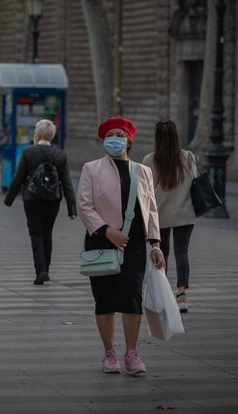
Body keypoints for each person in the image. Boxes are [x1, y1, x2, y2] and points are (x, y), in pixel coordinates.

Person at [76, 116, 165, 376]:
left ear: (129, 141)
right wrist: (108, 231)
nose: (115, 138)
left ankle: (132, 353)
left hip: (135, 245)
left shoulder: (143, 171)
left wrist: (156, 243)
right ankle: (109, 352)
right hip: (100, 243)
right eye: (110, 134)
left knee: (132, 299)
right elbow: (84, 205)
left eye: (120, 135)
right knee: (104, 300)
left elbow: (151, 210)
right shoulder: (91, 169)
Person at [3, 119, 77, 285]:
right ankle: (46, 269)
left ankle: (40, 271)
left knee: (35, 233)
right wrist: (72, 208)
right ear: (52, 136)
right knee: (47, 234)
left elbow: (18, 177)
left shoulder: (28, 152)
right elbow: (66, 183)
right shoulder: (61, 155)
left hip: (32, 199)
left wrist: (9, 199)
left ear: (36, 135)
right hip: (53, 200)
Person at [142, 121, 197, 312]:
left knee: (161, 253)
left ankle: (162, 295)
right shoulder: (188, 157)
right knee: (182, 252)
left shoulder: (150, 160)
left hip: (159, 215)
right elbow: (194, 182)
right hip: (185, 213)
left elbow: (145, 190)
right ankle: (182, 295)